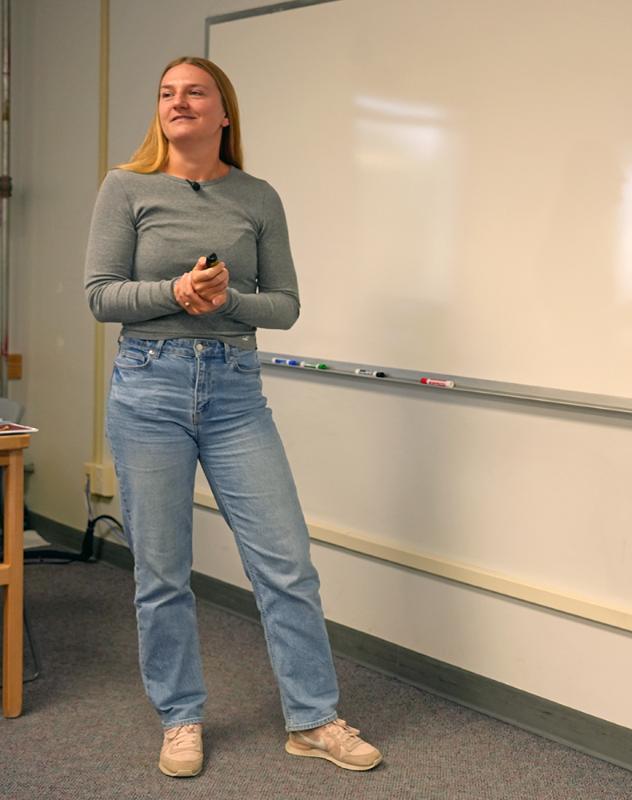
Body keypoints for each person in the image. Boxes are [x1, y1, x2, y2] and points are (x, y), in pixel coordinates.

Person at [84, 56, 382, 777]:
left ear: (224, 113)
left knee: (287, 564)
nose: (178, 101)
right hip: (149, 386)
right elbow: (100, 295)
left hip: (234, 390)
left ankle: (313, 720)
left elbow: (285, 305)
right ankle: (180, 718)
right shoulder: (126, 187)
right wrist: (175, 291)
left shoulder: (257, 197)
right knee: (162, 572)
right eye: (167, 93)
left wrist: (226, 301)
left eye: (195, 92)